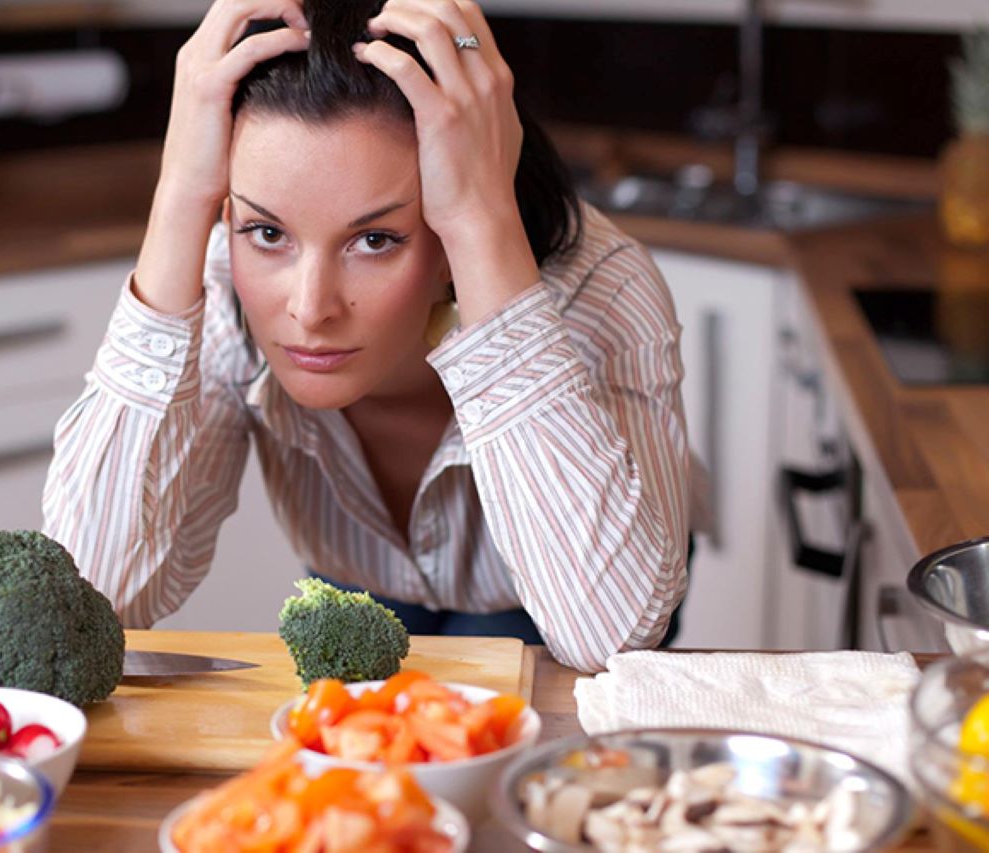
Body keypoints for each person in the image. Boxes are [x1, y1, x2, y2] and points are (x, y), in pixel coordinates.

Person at [42, 0, 691, 672]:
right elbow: (90, 597)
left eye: (375, 239)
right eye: (266, 232)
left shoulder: (598, 292)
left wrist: (479, 223)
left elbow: (610, 636)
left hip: (572, 590)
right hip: (360, 583)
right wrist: (178, 194)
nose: (310, 307)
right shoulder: (219, 285)